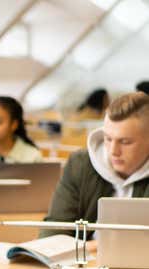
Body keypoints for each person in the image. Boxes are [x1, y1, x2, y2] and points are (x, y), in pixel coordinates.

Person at [41, 92, 149, 242]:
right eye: (108, 139)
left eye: (125, 142)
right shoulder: (80, 164)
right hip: (81, 263)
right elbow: (53, 232)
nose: (113, 151)